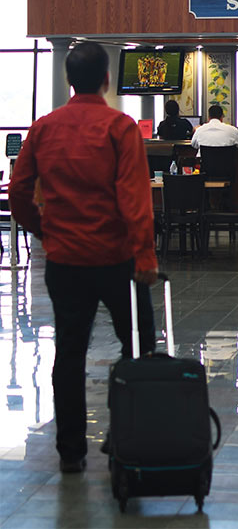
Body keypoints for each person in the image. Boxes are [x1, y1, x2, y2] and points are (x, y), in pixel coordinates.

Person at [9, 41, 158, 474]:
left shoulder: (44, 127)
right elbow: (135, 198)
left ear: (67, 79)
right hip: (116, 260)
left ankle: (71, 450)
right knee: (139, 344)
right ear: (107, 78)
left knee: (69, 352)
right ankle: (125, 433)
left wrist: (42, 230)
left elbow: (19, 190)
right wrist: (145, 256)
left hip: (65, 261)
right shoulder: (121, 127)